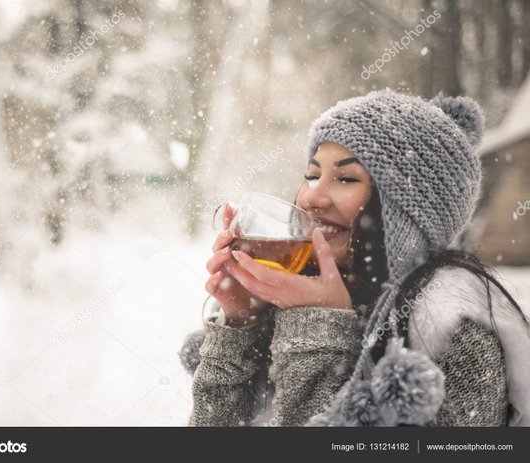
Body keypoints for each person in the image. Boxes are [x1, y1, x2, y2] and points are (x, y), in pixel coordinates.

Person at [179, 89, 530, 427]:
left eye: (346, 178)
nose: (312, 198)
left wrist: (321, 327)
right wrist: (242, 324)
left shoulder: (452, 329)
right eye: (312, 175)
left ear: (404, 218)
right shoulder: (289, 301)